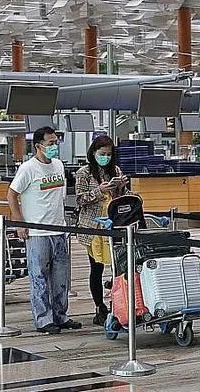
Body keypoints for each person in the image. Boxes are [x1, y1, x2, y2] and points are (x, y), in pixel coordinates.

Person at [8, 127, 79, 334]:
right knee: (39, 277)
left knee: (61, 277)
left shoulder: (58, 165)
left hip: (58, 229)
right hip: (37, 232)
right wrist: (19, 222)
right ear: (39, 146)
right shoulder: (28, 168)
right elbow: (11, 194)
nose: (54, 146)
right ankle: (43, 319)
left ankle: (60, 315)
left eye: (56, 142)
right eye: (50, 143)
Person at [74, 135, 129, 326]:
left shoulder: (115, 170)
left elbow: (122, 199)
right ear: (94, 152)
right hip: (93, 227)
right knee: (96, 268)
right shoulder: (83, 173)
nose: (105, 157)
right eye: (102, 153)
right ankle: (99, 307)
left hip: (114, 224)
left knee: (118, 266)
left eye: (109, 154)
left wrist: (121, 187)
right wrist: (100, 191)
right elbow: (80, 199)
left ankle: (119, 303)